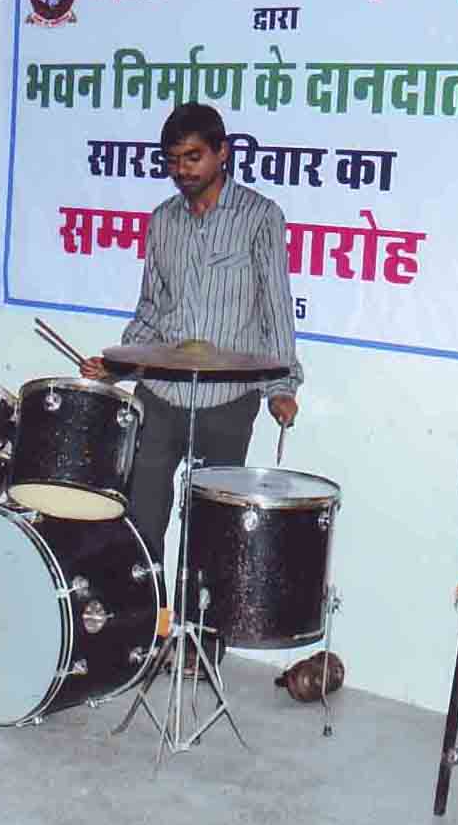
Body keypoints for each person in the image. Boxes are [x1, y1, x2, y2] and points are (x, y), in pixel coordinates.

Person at [81, 102, 302, 562]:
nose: (180, 170)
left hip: (227, 401)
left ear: (222, 152)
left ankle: (199, 630)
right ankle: (148, 622)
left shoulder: (260, 216)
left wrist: (282, 386)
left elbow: (276, 307)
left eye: (192, 157)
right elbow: (151, 306)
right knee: (140, 520)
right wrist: (116, 366)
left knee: (210, 529)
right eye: (172, 160)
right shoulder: (163, 220)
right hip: (160, 395)